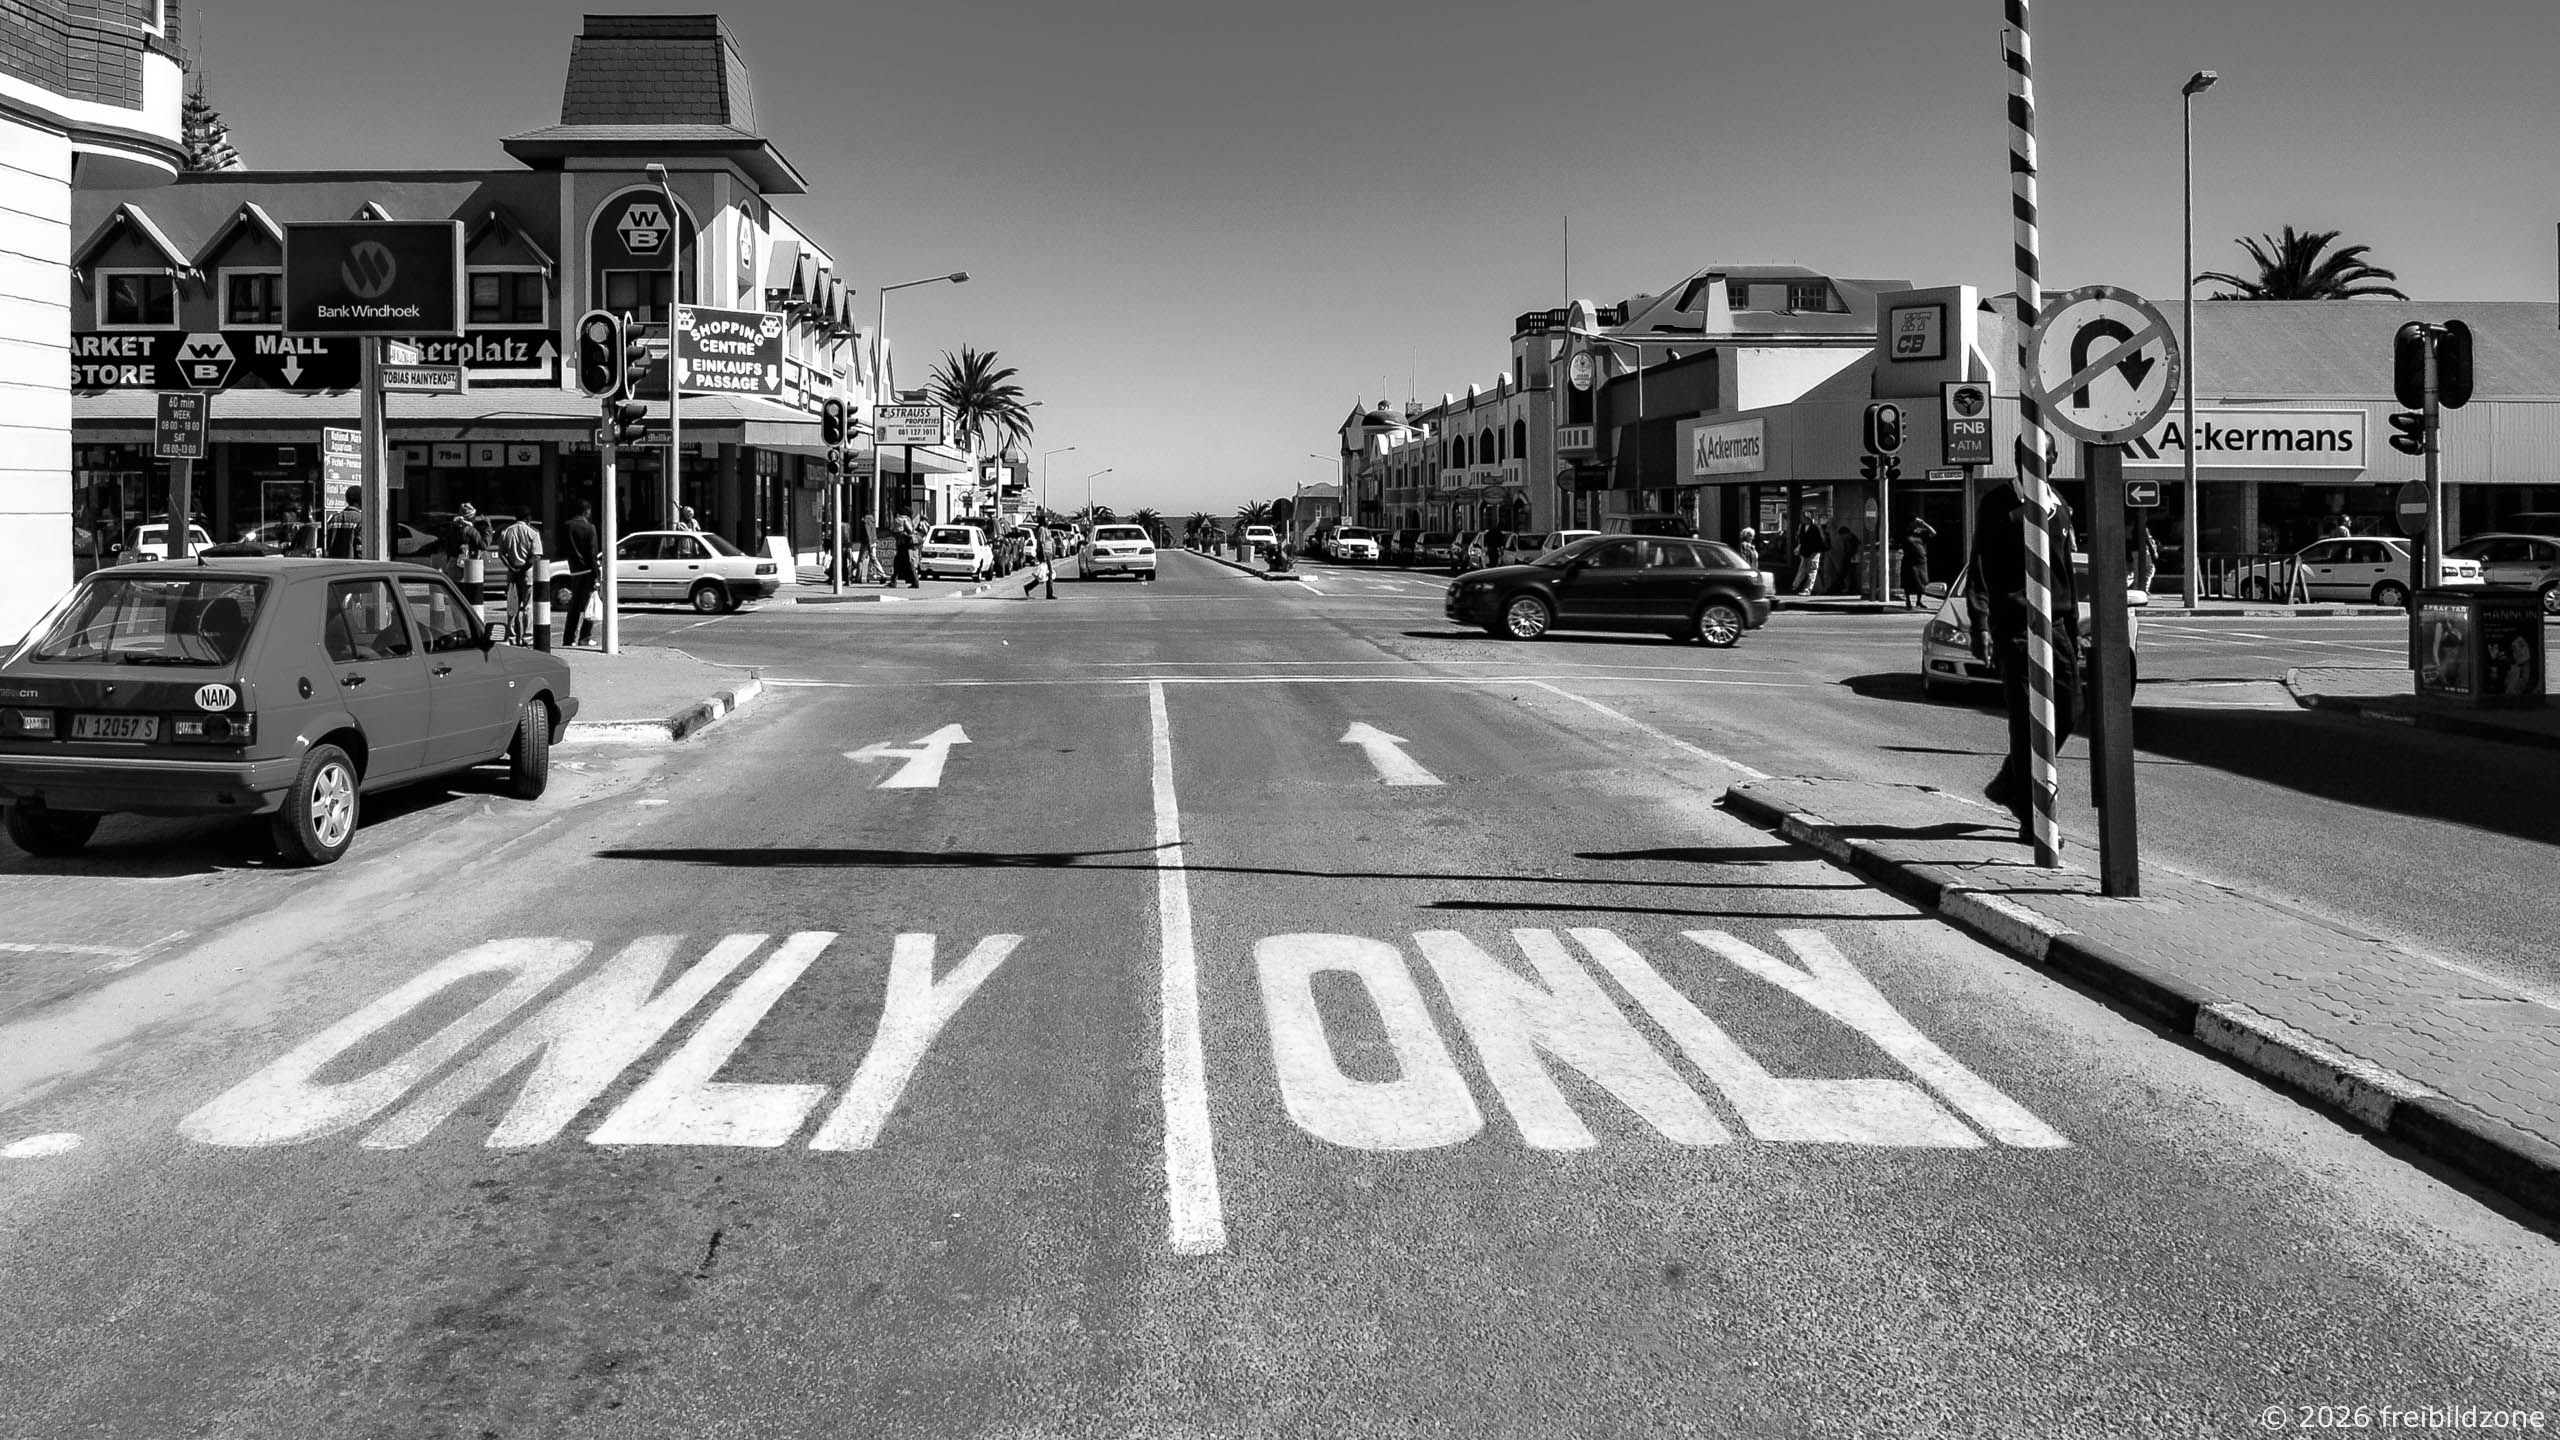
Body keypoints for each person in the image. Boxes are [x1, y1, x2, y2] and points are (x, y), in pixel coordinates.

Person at [1968, 482, 2082, 843]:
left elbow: (2066, 568)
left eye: (2048, 456)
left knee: (2069, 707)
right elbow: (1980, 562)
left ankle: (2008, 780)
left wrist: (2073, 629)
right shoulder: (1999, 504)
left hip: (2057, 623)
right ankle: (2034, 818)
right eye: (2032, 455)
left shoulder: (2058, 504)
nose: (2039, 463)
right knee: (2025, 717)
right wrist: (1980, 622)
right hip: (2015, 623)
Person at [496, 512, 543, 644]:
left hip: (512, 574)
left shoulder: (506, 532)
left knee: (512, 606)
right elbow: (536, 556)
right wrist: (522, 569)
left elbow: (501, 553)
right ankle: (527, 638)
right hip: (527, 574)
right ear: (528, 518)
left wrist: (512, 568)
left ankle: (512, 637)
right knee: (528, 607)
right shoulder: (533, 533)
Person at [560, 500, 601, 647]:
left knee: (574, 607)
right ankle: (584, 637)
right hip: (587, 571)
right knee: (589, 605)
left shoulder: (567, 526)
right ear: (586, 511)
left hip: (574, 570)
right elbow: (592, 552)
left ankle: (568, 638)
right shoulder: (590, 528)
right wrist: (596, 573)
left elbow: (561, 547)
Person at [1900, 517, 1937, 610]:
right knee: (1908, 580)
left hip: (1920, 561)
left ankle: (1919, 601)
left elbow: (1933, 533)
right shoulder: (1906, 533)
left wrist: (1924, 524)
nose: (1915, 524)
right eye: (1914, 522)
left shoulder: (1921, 533)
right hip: (1909, 560)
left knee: (1921, 581)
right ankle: (1908, 600)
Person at [322, 487, 362, 559]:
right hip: (353, 566)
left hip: (335, 566)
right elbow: (360, 548)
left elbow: (329, 544)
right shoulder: (360, 519)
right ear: (361, 500)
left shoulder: (334, 518)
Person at [1793, 515, 1827, 595]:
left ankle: (1806, 589)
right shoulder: (1802, 527)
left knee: (1811, 570)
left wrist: (1816, 551)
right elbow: (1800, 539)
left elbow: (1820, 540)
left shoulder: (1816, 527)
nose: (1803, 519)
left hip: (1814, 552)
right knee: (1804, 570)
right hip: (1805, 552)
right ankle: (1796, 586)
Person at [1022, 524, 1057, 599]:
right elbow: (1041, 542)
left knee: (1044, 574)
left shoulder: (1047, 530)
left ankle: (1028, 587)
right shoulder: (1042, 529)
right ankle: (1049, 594)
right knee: (1049, 573)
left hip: (1048, 553)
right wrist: (1044, 554)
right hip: (1045, 553)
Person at [1827, 523, 1863, 595]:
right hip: (1849, 559)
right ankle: (1838, 589)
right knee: (1845, 574)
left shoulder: (1853, 539)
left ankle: (1850, 589)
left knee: (1850, 575)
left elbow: (1853, 551)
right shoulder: (1847, 539)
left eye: (1842, 535)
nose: (1841, 537)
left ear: (1846, 534)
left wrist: (1848, 558)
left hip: (1852, 559)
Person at [2130, 518, 2160, 593]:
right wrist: (2154, 552)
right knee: (2150, 568)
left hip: (2134, 550)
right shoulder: (2144, 528)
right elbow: (2148, 540)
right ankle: (2144, 588)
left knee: (2136, 570)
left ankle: (2136, 588)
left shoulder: (2133, 529)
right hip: (2143, 550)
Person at [891, 512, 921, 588]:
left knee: (901, 563)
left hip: (903, 544)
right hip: (906, 545)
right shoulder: (908, 519)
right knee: (902, 563)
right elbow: (911, 530)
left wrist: (901, 534)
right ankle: (894, 581)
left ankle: (914, 582)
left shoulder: (900, 519)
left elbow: (908, 530)